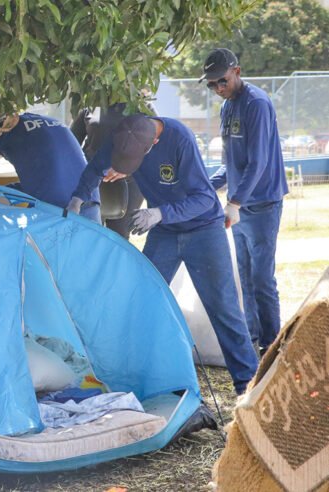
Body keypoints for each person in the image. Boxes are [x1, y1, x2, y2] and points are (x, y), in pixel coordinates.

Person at [71, 114, 259, 395]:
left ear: (154, 142)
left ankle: (249, 386)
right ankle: (135, 381)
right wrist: (77, 199)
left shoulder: (180, 139)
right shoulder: (124, 133)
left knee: (224, 308)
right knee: (143, 301)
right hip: (164, 234)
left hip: (203, 229)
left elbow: (205, 198)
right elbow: (95, 169)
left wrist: (160, 213)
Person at [201, 48, 288, 355]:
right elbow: (231, 164)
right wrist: (204, 187)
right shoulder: (227, 108)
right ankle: (253, 341)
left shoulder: (257, 104)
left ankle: (272, 346)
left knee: (263, 280)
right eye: (211, 85)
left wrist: (234, 202)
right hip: (238, 209)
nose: (218, 89)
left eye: (221, 81)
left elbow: (259, 162)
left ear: (236, 71)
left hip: (262, 205)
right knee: (247, 280)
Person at [71, 104, 146, 238]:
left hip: (129, 180)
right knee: (91, 233)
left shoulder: (139, 104)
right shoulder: (91, 103)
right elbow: (72, 141)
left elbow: (154, 144)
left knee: (119, 235)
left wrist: (126, 169)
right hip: (93, 179)